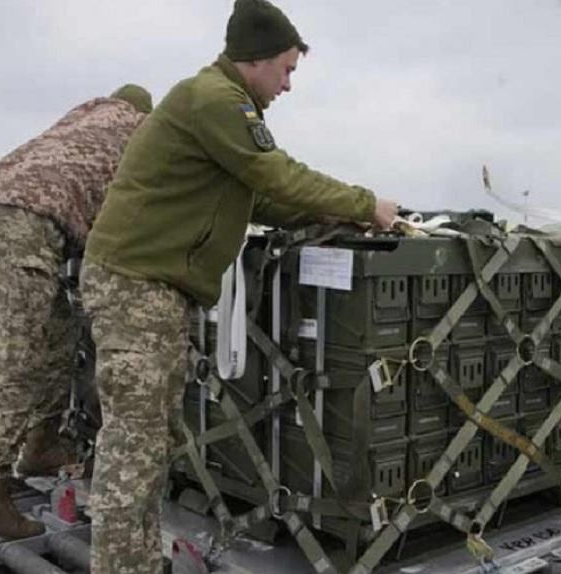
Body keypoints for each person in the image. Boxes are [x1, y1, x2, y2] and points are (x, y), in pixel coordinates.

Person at [80, 1, 399, 572]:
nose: (289, 85)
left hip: (153, 289)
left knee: (152, 439)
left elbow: (266, 199)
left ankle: (135, 562)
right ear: (258, 60)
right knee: (135, 443)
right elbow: (275, 173)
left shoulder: (219, 104)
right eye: (288, 69)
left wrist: (338, 220)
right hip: (136, 286)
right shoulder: (216, 100)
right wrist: (364, 203)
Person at [0, 84, 153, 540]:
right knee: (20, 351)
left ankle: (42, 442)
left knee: (58, 331)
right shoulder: (139, 130)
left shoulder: (85, 116)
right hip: (26, 217)